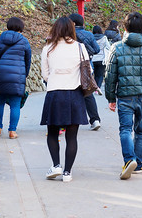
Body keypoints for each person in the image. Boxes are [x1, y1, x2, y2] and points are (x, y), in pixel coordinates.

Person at [104, 12, 142, 180]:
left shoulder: (117, 48)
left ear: (125, 28)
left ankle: (129, 160)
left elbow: (110, 75)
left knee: (125, 129)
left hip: (125, 96)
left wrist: (111, 98)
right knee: (141, 131)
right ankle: (138, 163)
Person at [40, 17, 89, 183]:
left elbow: (45, 75)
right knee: (72, 136)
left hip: (54, 93)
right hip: (74, 94)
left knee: (52, 133)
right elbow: (87, 71)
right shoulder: (80, 47)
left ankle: (56, 165)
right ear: (71, 29)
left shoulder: (47, 49)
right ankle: (67, 172)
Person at [0, 17, 32, 139]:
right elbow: (28, 60)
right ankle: (12, 131)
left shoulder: (1, 39)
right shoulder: (24, 41)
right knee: (15, 104)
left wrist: (3, 65)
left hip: (1, 73)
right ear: (21, 28)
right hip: (17, 75)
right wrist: (24, 74)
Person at [68, 13, 101, 131]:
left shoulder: (68, 35)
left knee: (69, 93)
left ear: (73, 23)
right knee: (88, 93)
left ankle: (68, 121)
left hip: (71, 68)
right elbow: (96, 49)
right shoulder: (89, 34)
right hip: (87, 67)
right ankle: (95, 120)